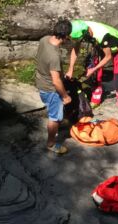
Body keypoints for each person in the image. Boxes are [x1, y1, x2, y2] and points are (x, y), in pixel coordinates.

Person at [65, 20, 118, 119]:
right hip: (100, 45)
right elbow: (75, 50)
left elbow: (108, 57)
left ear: (86, 32)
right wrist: (70, 69)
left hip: (114, 43)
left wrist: (94, 69)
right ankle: (95, 101)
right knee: (96, 75)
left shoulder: (102, 35)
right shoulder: (78, 27)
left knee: (117, 78)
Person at [35, 19, 72, 154]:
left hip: (40, 81)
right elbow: (56, 81)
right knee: (54, 117)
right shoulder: (54, 56)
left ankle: (58, 119)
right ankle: (51, 144)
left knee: (54, 111)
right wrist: (65, 96)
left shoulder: (44, 39)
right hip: (51, 89)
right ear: (66, 36)